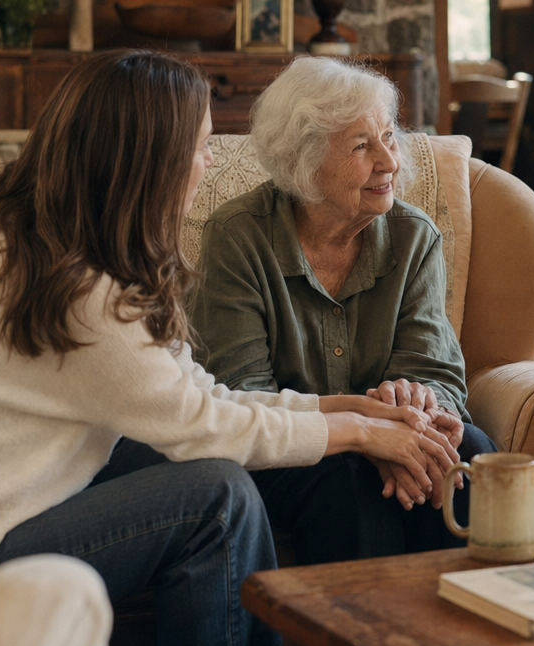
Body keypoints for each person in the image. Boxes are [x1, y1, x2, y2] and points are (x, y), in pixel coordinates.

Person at [0, 50, 460, 646]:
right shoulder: (86, 292)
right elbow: (204, 423)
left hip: (7, 506)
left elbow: (198, 397)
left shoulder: (12, 240)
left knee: (193, 465)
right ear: (150, 164)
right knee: (216, 498)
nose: (208, 165)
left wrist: (345, 409)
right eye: (199, 148)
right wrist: (361, 431)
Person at [189, 56, 497, 564]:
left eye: (389, 137)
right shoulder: (238, 238)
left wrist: (418, 406)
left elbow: (434, 369)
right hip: (292, 450)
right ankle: (363, 617)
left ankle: (467, 610)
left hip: (398, 434)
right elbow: (242, 391)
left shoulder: (413, 237)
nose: (389, 161)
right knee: (346, 484)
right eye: (361, 146)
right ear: (304, 161)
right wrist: (364, 434)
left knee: (469, 454)